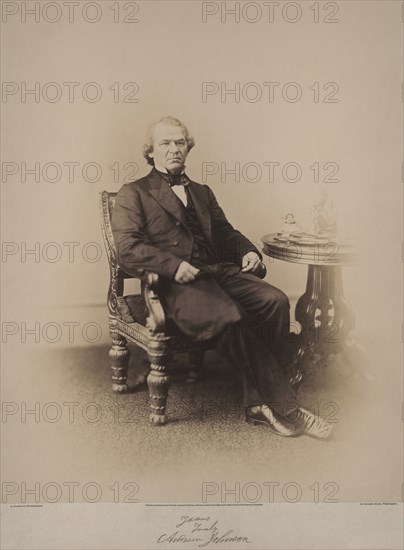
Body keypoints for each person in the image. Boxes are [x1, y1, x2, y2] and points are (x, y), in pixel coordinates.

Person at [111, 116, 332, 439]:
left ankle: (257, 404)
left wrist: (248, 251)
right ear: (150, 151)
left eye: (180, 142)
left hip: (219, 272)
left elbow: (226, 233)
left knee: (275, 301)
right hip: (177, 285)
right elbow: (127, 249)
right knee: (231, 318)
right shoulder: (134, 193)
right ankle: (288, 408)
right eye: (165, 143)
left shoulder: (202, 192)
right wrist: (172, 266)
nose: (174, 149)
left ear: (188, 148)